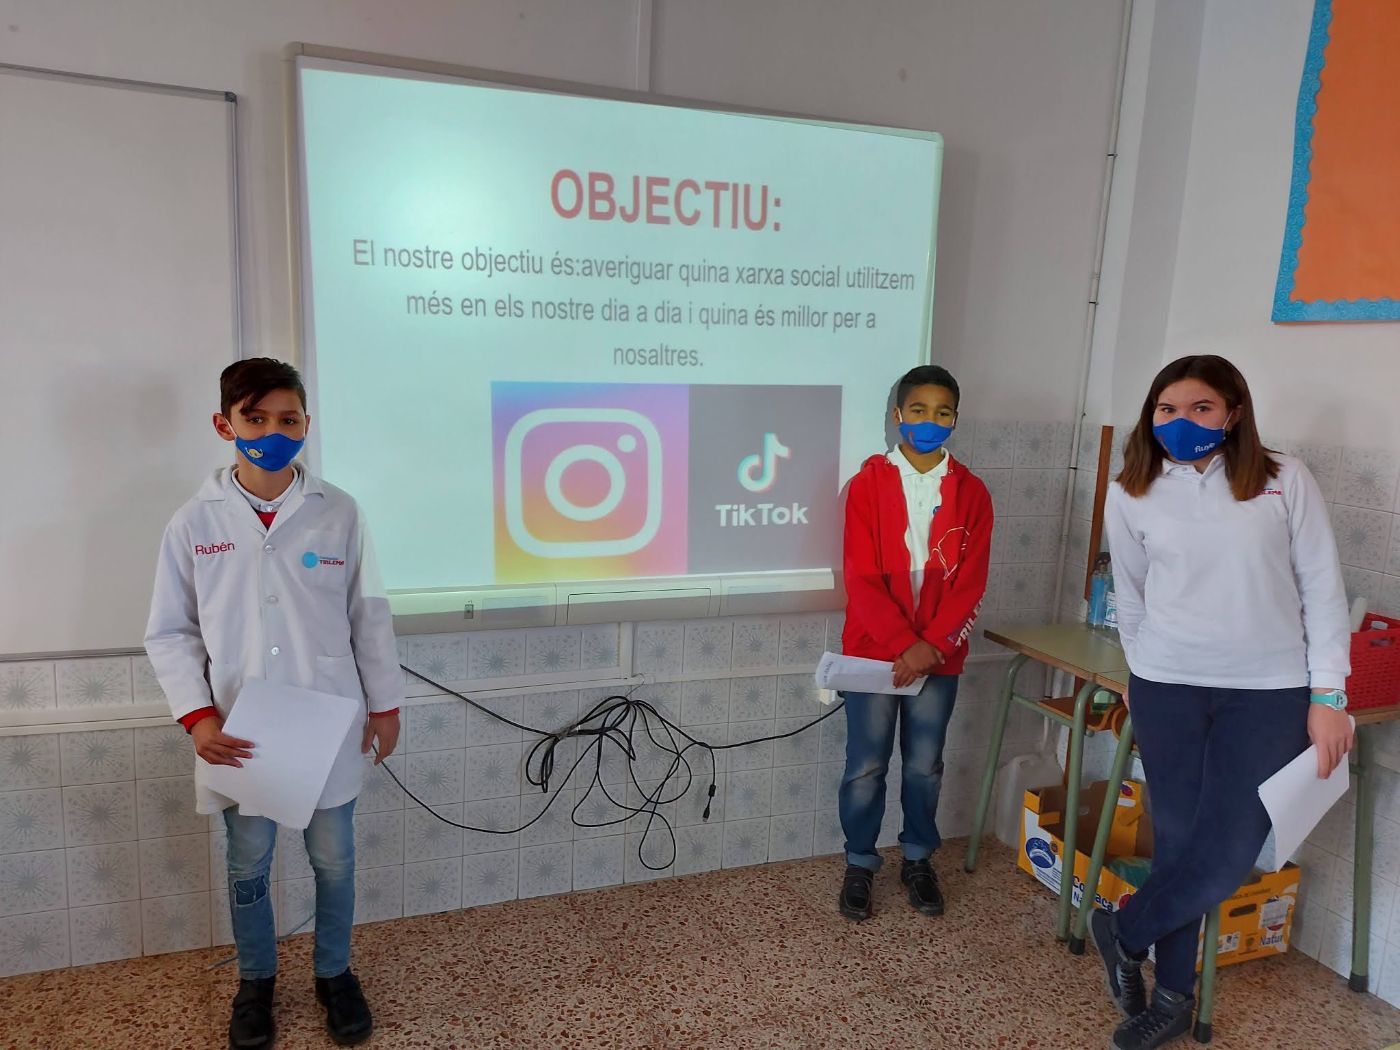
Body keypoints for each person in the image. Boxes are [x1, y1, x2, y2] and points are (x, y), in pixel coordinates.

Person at [1094, 355, 1354, 1050]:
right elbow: (1131, 595)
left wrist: (1329, 694)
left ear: (1233, 413)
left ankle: (1123, 931)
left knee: (1229, 855)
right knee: (1179, 849)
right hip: (1168, 689)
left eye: (1200, 407)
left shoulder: (1283, 479)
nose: (1181, 421)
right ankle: (1173, 999)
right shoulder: (1132, 490)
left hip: (1269, 693)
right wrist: (1142, 669)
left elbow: (1323, 588)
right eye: (1167, 409)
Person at [146, 358, 403, 1050]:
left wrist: (385, 704)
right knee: (248, 862)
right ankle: (255, 982)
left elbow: (369, 615)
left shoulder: (339, 511)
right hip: (241, 727)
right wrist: (197, 716)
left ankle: (334, 974)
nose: (272, 433)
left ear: (306, 423)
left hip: (327, 720)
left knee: (335, 860)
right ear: (223, 423)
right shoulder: (193, 521)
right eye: (254, 419)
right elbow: (170, 631)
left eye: (287, 420)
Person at [837, 364, 993, 920]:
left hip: (938, 657)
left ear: (955, 419)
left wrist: (933, 647)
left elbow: (971, 581)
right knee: (866, 766)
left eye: (942, 412)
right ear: (898, 414)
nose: (930, 421)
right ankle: (860, 861)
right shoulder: (867, 485)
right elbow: (860, 577)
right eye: (919, 410)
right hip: (874, 651)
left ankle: (919, 858)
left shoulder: (972, 492)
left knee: (925, 765)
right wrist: (905, 645)